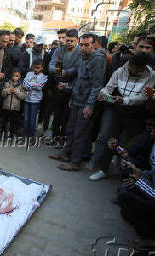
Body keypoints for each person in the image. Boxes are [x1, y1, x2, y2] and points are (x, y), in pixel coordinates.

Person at [89, 52, 155, 181]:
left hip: (136, 115)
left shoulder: (152, 76)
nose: (135, 72)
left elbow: (143, 97)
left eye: (139, 70)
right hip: (118, 112)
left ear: (144, 68)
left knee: (127, 144)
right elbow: (107, 88)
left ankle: (124, 173)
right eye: (133, 68)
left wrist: (124, 100)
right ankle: (104, 169)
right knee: (110, 140)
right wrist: (104, 94)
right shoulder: (120, 71)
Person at [49, 33, 107, 171]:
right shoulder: (83, 56)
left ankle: (75, 162)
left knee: (80, 133)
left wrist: (90, 105)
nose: (82, 48)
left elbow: (96, 85)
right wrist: (72, 94)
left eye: (86, 45)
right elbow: (79, 77)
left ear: (94, 45)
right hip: (77, 99)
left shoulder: (98, 59)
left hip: (86, 103)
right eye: (81, 45)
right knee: (70, 129)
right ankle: (66, 154)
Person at [49, 29, 81, 141]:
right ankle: (55, 136)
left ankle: (63, 137)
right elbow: (51, 65)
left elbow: (78, 68)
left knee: (67, 115)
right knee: (57, 113)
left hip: (72, 87)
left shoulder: (80, 52)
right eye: (67, 40)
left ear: (77, 40)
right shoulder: (59, 50)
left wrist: (67, 72)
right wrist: (55, 69)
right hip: (59, 85)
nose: (69, 43)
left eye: (72, 41)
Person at [22, 60, 48, 138]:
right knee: (26, 118)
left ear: (42, 68)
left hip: (36, 101)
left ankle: (31, 135)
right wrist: (33, 85)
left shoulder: (43, 77)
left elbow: (39, 87)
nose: (36, 69)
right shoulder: (29, 74)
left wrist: (30, 85)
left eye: (38, 68)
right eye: (35, 67)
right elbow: (24, 84)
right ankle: (25, 134)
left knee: (32, 118)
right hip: (27, 99)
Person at [1, 68, 27, 137]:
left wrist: (16, 92)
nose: (15, 77)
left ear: (20, 76)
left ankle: (12, 134)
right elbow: (2, 93)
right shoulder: (7, 83)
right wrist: (7, 91)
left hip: (15, 108)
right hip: (6, 107)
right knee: (5, 121)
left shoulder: (22, 85)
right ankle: (3, 134)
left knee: (13, 122)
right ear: (11, 76)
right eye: (14, 76)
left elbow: (23, 96)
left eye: (17, 76)